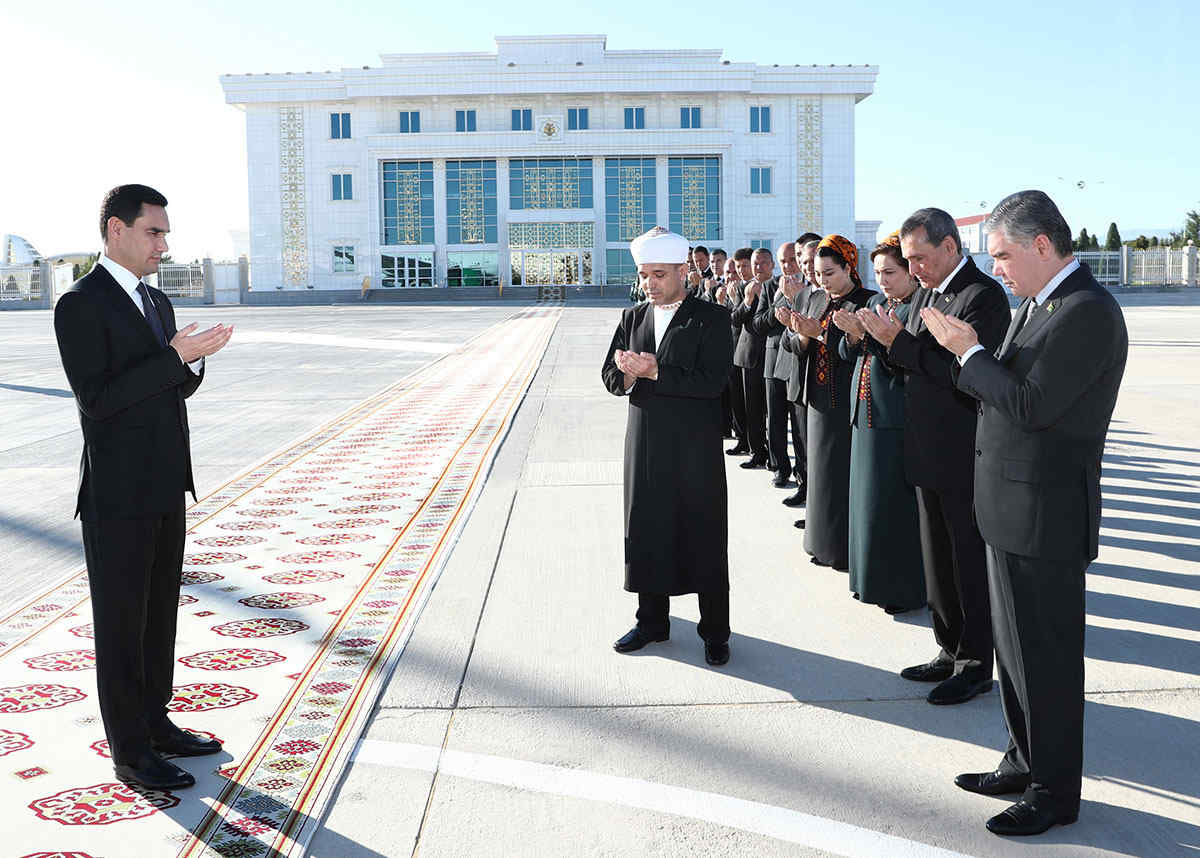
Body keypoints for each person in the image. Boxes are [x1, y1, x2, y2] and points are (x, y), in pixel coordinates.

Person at [923, 191, 1127, 836]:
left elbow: (1033, 405)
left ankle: (1053, 791)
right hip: (1011, 507)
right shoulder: (1041, 303)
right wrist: (975, 355)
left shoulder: (1087, 311)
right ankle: (1022, 757)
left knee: (1048, 658)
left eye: (1004, 256)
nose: (999, 269)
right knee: (1013, 653)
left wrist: (968, 353)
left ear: (1043, 245)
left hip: (1046, 513)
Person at [53, 185, 234, 790]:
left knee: (158, 617)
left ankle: (157, 724)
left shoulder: (157, 303)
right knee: (122, 622)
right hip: (116, 495)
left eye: (165, 233)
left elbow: (166, 390)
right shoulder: (80, 304)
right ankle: (131, 752)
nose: (164, 244)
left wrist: (192, 361)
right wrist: (172, 358)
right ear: (116, 231)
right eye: (154, 232)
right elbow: (98, 401)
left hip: (164, 485)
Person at [858, 207, 1010, 706]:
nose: (914, 268)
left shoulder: (981, 297)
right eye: (909, 260)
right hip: (924, 445)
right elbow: (913, 367)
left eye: (920, 258)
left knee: (967, 559)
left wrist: (898, 342)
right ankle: (948, 647)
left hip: (962, 450)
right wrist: (883, 343)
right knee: (938, 559)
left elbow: (960, 374)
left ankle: (973, 664)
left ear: (950, 246)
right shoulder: (927, 292)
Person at [601, 226, 734, 667]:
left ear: (683, 272)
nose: (650, 284)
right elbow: (609, 377)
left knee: (703, 535)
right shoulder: (632, 317)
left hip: (694, 447)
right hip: (644, 444)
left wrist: (658, 373)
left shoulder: (711, 318)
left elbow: (715, 381)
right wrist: (627, 373)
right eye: (644, 275)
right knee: (646, 530)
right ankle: (652, 622)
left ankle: (715, 631)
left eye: (659, 274)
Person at [834, 233, 926, 613]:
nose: (883, 280)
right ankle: (865, 579)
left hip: (894, 420)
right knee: (864, 502)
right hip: (864, 415)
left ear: (909, 273)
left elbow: (907, 364)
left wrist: (872, 338)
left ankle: (899, 589)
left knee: (890, 506)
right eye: (877, 272)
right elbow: (845, 352)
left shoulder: (918, 311)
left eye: (890, 272)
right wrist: (853, 336)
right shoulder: (874, 302)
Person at [786, 235, 875, 569]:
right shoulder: (818, 300)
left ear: (849, 268)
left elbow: (861, 354)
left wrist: (823, 335)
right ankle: (819, 543)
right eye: (819, 274)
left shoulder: (865, 301)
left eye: (830, 273)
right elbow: (791, 344)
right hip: (817, 400)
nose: (823, 280)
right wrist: (805, 335)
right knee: (820, 475)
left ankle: (841, 550)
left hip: (847, 404)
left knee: (842, 479)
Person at [780, 234, 823, 511]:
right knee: (802, 445)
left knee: (819, 453)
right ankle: (804, 488)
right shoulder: (803, 294)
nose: (806, 267)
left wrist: (807, 337)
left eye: (812, 262)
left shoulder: (833, 296)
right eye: (803, 261)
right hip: (799, 379)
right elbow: (788, 340)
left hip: (821, 385)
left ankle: (817, 508)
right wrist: (802, 338)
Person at [748, 246, 792, 485]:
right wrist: (778, 306)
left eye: (792, 260)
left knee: (799, 425)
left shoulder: (811, 287)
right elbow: (758, 324)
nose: (788, 266)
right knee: (774, 418)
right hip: (774, 360)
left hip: (800, 361)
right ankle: (780, 467)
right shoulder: (770, 288)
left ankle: (805, 476)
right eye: (784, 261)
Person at [730, 248, 769, 468]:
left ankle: (774, 455)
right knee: (752, 408)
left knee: (773, 413)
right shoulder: (745, 288)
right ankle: (756, 451)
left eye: (762, 263)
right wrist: (747, 300)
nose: (757, 268)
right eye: (754, 264)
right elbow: (734, 318)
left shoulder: (778, 287)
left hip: (774, 355)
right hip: (750, 354)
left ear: (771, 265)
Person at [719, 257, 749, 453]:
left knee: (746, 402)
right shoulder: (726, 290)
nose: (731, 275)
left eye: (734, 271)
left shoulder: (745, 290)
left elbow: (735, 319)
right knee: (735, 400)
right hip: (728, 351)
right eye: (728, 272)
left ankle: (748, 441)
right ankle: (741, 438)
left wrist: (736, 300)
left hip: (744, 351)